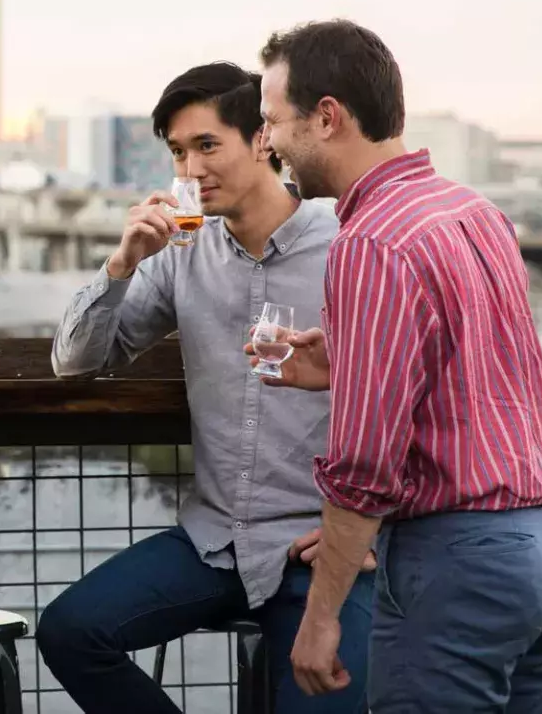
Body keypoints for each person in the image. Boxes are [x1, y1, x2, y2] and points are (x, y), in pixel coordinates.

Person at [254, 19, 542, 711]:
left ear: (326, 117)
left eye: (273, 122)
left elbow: (364, 466)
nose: (268, 143)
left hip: (463, 562)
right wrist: (348, 364)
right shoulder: (471, 210)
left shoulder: (371, 242)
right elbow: (473, 373)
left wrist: (320, 620)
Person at [37, 62, 376, 713]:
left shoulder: (347, 248)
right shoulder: (182, 253)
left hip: (320, 551)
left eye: (207, 146)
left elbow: (417, 396)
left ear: (263, 141)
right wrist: (122, 263)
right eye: (178, 152)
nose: (190, 169)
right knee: (71, 632)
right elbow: (74, 362)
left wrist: (375, 533)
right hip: (213, 541)